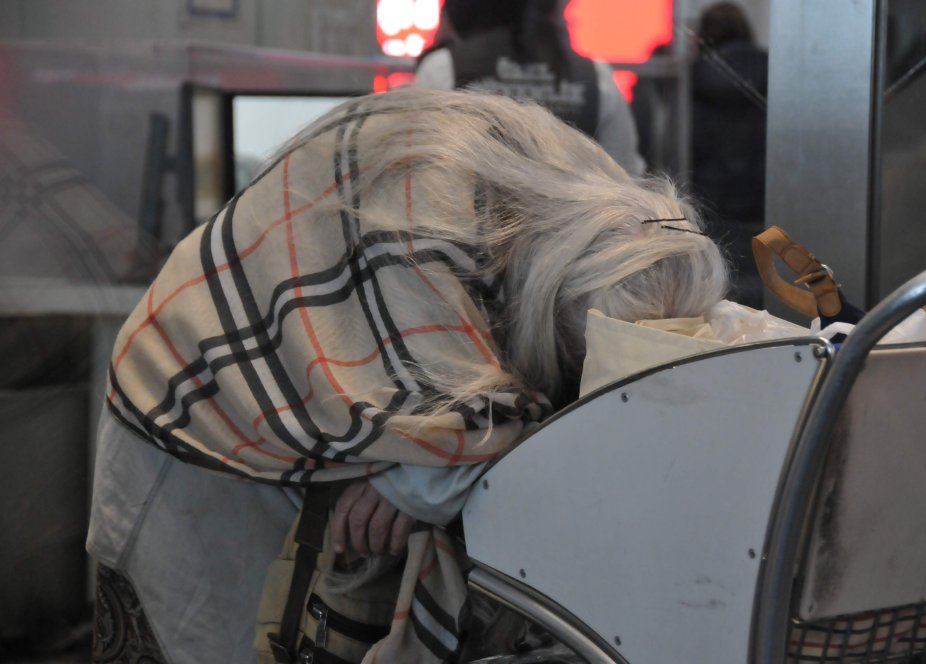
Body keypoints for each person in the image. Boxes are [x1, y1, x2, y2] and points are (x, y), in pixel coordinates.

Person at [87, 88, 727, 663]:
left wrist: (414, 474)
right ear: (549, 300)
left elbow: (485, 427)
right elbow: (461, 433)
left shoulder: (611, 214)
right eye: (571, 356)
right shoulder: (428, 208)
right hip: (207, 413)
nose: (566, 378)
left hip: (319, 426)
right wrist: (416, 476)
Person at [414, 0, 646, 177]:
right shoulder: (596, 77)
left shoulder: (444, 69)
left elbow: (420, 173)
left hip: (467, 234)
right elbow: (626, 177)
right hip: (574, 235)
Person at [690, 2, 768, 307]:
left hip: (706, 212)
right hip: (766, 211)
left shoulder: (684, 80)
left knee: (716, 306)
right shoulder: (780, 74)